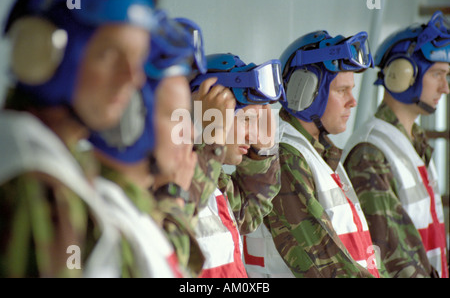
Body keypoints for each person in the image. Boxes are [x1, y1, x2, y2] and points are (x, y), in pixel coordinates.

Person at [0, 0, 162, 277]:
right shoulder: (38, 182)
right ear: (46, 52)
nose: (133, 78)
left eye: (138, 58)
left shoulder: (58, 157)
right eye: (111, 55)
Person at [243, 30, 384, 278]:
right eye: (342, 90)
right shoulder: (285, 156)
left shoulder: (321, 155)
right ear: (305, 92)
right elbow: (329, 268)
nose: (353, 101)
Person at [88, 15, 205, 277]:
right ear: (131, 116)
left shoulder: (134, 207)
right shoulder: (106, 221)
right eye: (177, 117)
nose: (193, 132)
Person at [342, 11, 449, 278]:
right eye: (437, 74)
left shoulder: (414, 145)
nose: (445, 87)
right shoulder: (371, 151)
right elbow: (393, 259)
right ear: (402, 75)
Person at [189, 53, 283, 278]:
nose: (252, 135)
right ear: (208, 115)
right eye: (246, 120)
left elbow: (247, 214)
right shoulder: (170, 178)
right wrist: (215, 135)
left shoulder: (213, 180)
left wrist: (263, 153)